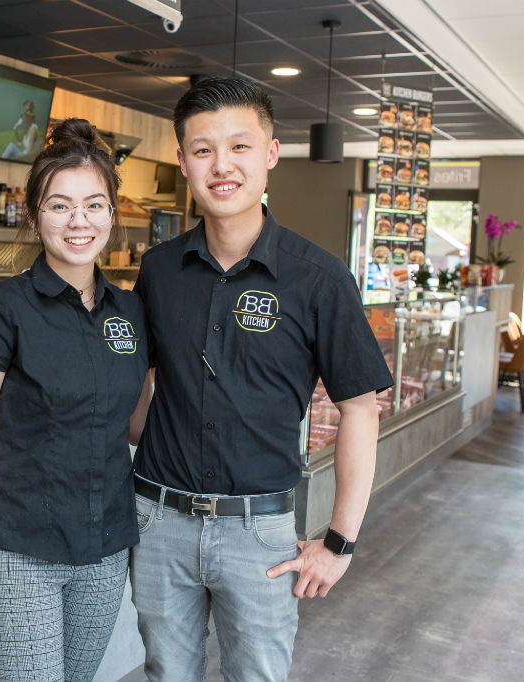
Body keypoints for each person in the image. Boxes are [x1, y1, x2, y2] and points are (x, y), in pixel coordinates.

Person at [129, 76, 394, 681]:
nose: (221, 165)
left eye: (239, 147)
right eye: (203, 150)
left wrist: (339, 542)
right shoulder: (159, 269)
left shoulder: (319, 278)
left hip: (261, 533)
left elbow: (360, 408)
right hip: (158, 522)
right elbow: (141, 385)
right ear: (184, 161)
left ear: (271, 155)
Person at [0, 118, 150, 682]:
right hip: (20, 551)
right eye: (60, 206)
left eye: (94, 205)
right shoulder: (1, 308)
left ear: (112, 213)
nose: (79, 222)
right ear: (34, 216)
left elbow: (134, 426)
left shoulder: (129, 312)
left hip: (105, 548)